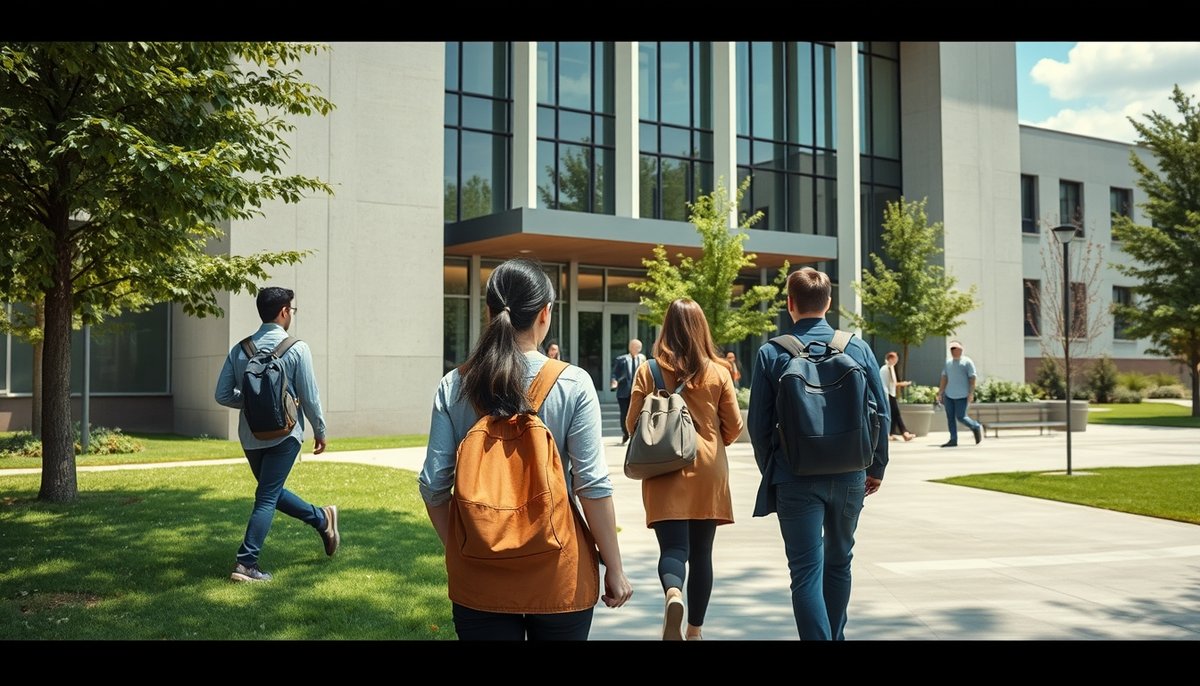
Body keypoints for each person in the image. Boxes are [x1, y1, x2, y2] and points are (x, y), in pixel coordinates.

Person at [420, 258, 633, 640]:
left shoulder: (454, 385)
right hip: (559, 575)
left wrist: (464, 549)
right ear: (545, 314)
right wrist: (614, 568)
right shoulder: (573, 384)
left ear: (488, 312)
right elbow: (592, 486)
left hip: (479, 581)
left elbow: (434, 486)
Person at [748, 267, 889, 640]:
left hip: (794, 476)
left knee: (806, 571)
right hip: (850, 474)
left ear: (789, 303)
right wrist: (876, 466)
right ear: (829, 302)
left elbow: (758, 426)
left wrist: (774, 469)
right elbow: (881, 413)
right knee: (839, 563)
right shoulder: (857, 347)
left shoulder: (771, 352)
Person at [625, 299, 742, 641]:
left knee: (673, 550)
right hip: (708, 469)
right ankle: (694, 631)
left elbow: (632, 424)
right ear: (701, 328)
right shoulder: (718, 371)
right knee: (702, 554)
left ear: (667, 328)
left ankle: (673, 593)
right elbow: (734, 426)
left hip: (663, 469)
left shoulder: (648, 370)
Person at [215, 286, 337, 583]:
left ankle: (323, 519)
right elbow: (310, 396)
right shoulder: (297, 348)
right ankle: (247, 564)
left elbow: (222, 394)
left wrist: (254, 402)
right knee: (268, 494)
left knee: (268, 492)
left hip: (251, 435)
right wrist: (320, 430)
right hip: (286, 434)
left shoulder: (240, 349)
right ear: (284, 312)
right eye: (291, 310)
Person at [936, 340, 982, 447]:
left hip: (962, 395)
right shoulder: (948, 363)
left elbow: (972, 378)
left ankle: (975, 426)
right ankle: (953, 439)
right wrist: (940, 392)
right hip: (949, 395)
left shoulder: (967, 362)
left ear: (961, 350)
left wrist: (971, 393)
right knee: (950, 418)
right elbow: (944, 377)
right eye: (951, 349)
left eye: (955, 349)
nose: (953, 351)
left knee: (961, 417)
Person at [611, 339, 646, 445]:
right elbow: (615, 374)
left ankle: (635, 434)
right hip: (623, 392)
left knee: (638, 414)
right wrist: (614, 381)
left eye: (637, 347)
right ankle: (626, 433)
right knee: (625, 414)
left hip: (638, 392)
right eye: (633, 346)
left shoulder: (643, 359)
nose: (635, 349)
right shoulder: (621, 360)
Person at [880, 351, 915, 442]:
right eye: (895, 358)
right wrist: (903, 384)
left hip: (890, 394)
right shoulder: (887, 368)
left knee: (894, 414)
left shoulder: (889, 368)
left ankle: (892, 433)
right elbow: (893, 383)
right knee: (895, 414)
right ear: (891, 359)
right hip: (887, 394)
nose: (897, 360)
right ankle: (904, 433)